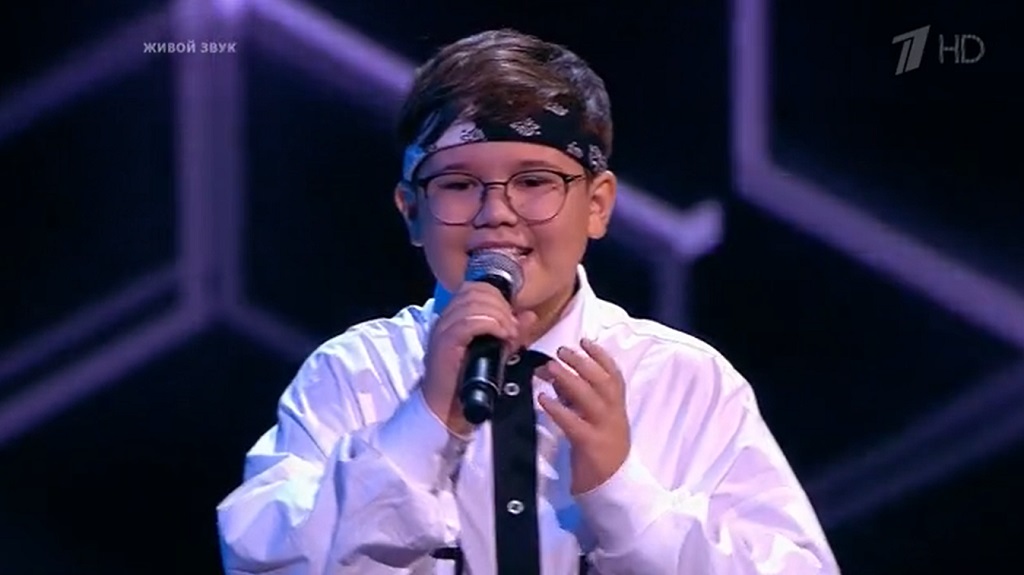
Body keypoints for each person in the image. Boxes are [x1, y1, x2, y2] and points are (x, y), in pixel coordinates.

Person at [216, 28, 840, 575]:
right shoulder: (351, 376)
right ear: (411, 212)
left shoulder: (683, 380)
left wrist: (622, 491)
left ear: (597, 205)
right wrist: (422, 423)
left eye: (535, 181)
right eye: (458, 184)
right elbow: (268, 563)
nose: (496, 212)